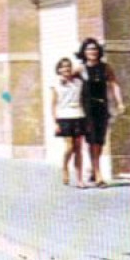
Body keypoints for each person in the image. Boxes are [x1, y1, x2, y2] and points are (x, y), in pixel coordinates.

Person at [78, 38, 125, 187]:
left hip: (101, 107)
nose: (92, 52)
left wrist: (120, 102)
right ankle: (98, 174)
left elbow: (114, 84)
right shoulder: (80, 69)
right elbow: (67, 81)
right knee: (92, 140)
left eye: (95, 49)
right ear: (84, 52)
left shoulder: (105, 68)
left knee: (100, 140)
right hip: (86, 108)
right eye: (89, 49)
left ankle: (93, 168)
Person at [49, 57, 87, 187]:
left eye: (68, 66)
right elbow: (53, 105)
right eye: (63, 66)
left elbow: (82, 69)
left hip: (78, 115)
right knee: (69, 147)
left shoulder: (78, 82)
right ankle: (65, 167)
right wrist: (56, 123)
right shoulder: (55, 84)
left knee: (78, 149)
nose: (66, 69)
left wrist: (74, 73)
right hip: (64, 117)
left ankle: (79, 178)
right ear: (58, 69)